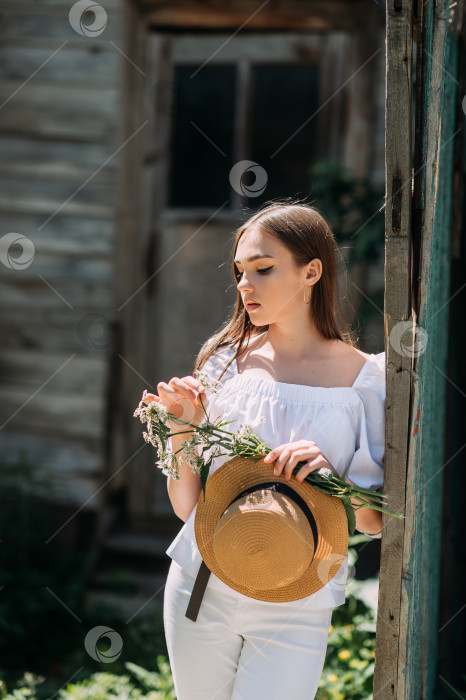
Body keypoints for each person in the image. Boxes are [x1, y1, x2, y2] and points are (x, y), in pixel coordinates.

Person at [147, 201, 385, 700]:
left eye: (263, 269)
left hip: (299, 600)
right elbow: (188, 507)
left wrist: (331, 481)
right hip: (202, 582)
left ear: (311, 271)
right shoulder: (225, 363)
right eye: (239, 271)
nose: (244, 285)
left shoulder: (367, 379)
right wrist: (180, 428)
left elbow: (370, 522)